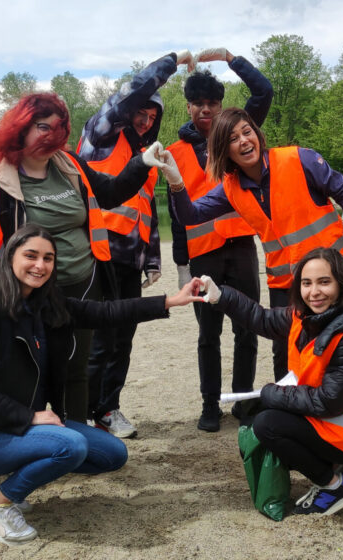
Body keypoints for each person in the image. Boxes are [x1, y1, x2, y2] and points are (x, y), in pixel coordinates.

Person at [0, 225, 204, 546]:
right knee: (72, 447)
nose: (40, 265)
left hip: (24, 426)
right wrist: (30, 417)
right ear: (10, 256)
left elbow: (106, 312)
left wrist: (170, 301)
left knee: (113, 454)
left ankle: (10, 471)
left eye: (48, 258)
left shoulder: (46, 304)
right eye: (31, 256)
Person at [0, 91, 158, 422]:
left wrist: (142, 163)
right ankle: (35, 434)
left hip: (84, 285)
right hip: (29, 294)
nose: (51, 136)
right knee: (30, 369)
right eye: (42, 126)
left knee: (76, 369)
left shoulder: (70, 165)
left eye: (58, 128)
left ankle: (77, 435)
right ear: (21, 127)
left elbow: (110, 192)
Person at [164, 108, 343, 384]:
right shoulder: (230, 187)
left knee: (342, 339)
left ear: (257, 134)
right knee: (284, 349)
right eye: (233, 138)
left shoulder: (299, 159)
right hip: (284, 281)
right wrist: (176, 182)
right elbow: (190, 215)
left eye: (247, 132)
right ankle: (291, 402)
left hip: (333, 271)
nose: (244, 141)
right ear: (224, 150)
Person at [197, 247, 343, 516]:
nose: (314, 292)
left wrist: (271, 393)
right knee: (262, 415)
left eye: (324, 282)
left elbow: (328, 402)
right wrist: (222, 296)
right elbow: (263, 319)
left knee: (267, 424)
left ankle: (334, 484)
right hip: (339, 417)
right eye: (306, 283)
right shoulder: (307, 316)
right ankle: (339, 465)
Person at [77, 50, 195, 438]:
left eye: (152, 116)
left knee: (122, 340)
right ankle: (81, 413)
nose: (145, 120)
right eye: (140, 113)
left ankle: (107, 409)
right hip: (96, 254)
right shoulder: (101, 136)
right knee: (98, 339)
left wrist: (152, 259)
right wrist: (172, 62)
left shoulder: (147, 156)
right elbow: (130, 93)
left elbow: (146, 209)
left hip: (130, 258)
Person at [165, 48, 273, 432]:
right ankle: (210, 405)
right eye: (199, 103)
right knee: (208, 334)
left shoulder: (235, 136)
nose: (206, 109)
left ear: (220, 105)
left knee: (247, 328)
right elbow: (176, 214)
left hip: (241, 248)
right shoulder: (175, 153)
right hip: (203, 255)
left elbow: (263, 92)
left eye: (212, 102)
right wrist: (181, 265)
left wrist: (230, 58)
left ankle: (241, 401)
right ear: (189, 107)